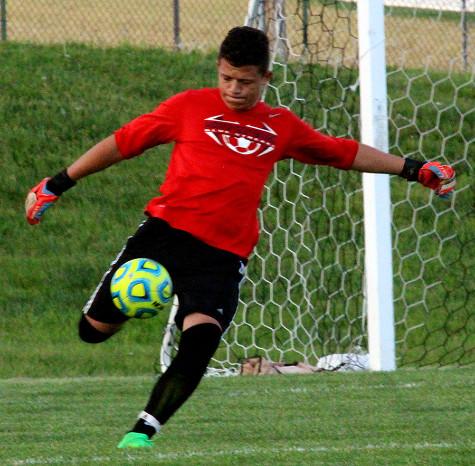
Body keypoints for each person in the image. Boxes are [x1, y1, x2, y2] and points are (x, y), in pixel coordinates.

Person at [25, 26, 456, 449]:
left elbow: (340, 151)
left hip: (222, 254)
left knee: (200, 341)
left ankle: (141, 433)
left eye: (246, 82)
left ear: (266, 78)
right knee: (92, 332)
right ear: (218, 69)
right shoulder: (188, 107)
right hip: (164, 236)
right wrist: (57, 184)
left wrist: (412, 167)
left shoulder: (279, 125)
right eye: (227, 78)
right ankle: (135, 303)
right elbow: (122, 143)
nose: (234, 89)